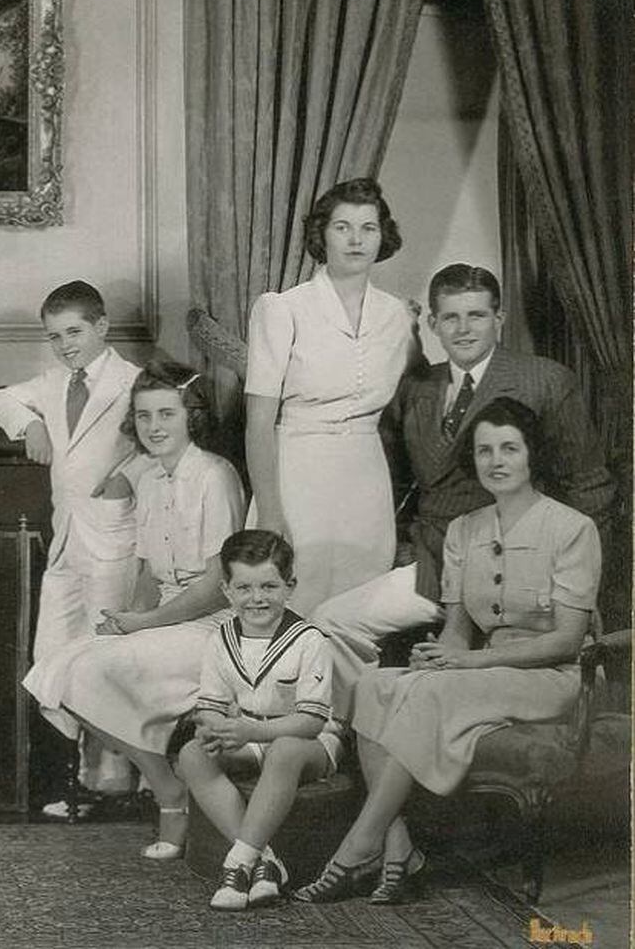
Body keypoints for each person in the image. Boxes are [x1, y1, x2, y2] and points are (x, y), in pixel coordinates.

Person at [295, 399, 599, 904]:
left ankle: (356, 848)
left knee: (431, 697)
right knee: (371, 685)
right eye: (484, 451)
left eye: (509, 448)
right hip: (479, 674)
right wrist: (439, 657)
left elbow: (567, 641)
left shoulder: (572, 529)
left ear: (532, 456)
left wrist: (465, 663)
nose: (495, 461)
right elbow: (457, 632)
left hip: (549, 678)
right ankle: (400, 851)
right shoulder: (464, 530)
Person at [310, 263, 614, 716]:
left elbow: (590, 488)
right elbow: (393, 481)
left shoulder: (545, 380)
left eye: (477, 315)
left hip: (524, 570)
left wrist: (580, 589)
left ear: (500, 318)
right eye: (450, 318)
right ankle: (360, 729)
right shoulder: (416, 387)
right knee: (330, 621)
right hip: (434, 562)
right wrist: (406, 547)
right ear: (432, 324)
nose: (464, 328)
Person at [22, 361, 244, 857]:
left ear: (193, 418)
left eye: (167, 414)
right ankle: (166, 783)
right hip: (167, 619)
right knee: (51, 673)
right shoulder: (150, 479)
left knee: (88, 669)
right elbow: (147, 575)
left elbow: (217, 586)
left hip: (214, 626)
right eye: (144, 417)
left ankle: (169, 796)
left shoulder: (215, 475)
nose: (154, 427)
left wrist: (144, 624)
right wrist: (125, 622)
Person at [0, 280, 154, 805]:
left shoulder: (135, 382)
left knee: (103, 656)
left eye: (74, 332)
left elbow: (165, 441)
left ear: (102, 326)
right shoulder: (55, 382)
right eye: (54, 336)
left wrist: (130, 476)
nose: (65, 344)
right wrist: (29, 425)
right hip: (65, 542)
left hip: (114, 538)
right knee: (51, 656)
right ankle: (72, 779)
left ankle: (115, 781)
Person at [244, 177, 415, 616]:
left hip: (365, 477)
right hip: (298, 474)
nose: (356, 239)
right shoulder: (282, 309)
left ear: (383, 236)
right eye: (342, 227)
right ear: (321, 234)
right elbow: (259, 422)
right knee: (293, 602)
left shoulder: (397, 317)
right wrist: (268, 511)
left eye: (368, 228)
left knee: (360, 607)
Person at [176, 530, 343, 911]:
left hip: (308, 743)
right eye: (245, 588)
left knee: (284, 750)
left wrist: (254, 730)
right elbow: (211, 704)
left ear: (290, 586)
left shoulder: (309, 639)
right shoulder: (221, 638)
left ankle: (237, 864)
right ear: (227, 591)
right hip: (250, 734)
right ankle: (265, 860)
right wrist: (213, 727)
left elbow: (312, 722)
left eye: (269, 586)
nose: (257, 598)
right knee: (191, 754)